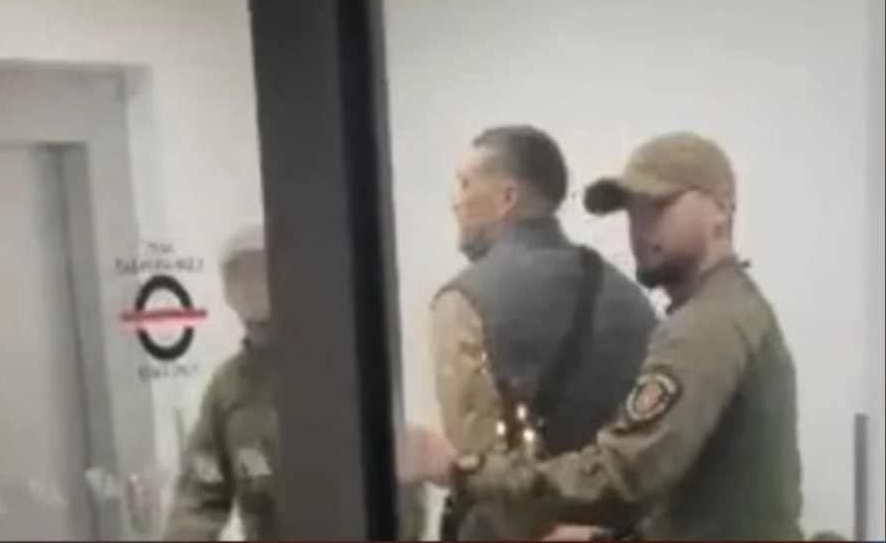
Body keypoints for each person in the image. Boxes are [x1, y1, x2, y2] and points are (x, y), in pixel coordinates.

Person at [445, 132, 803, 540]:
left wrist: (466, 471)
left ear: (720, 208)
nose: (641, 229)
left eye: (658, 206)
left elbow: (622, 478)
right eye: (633, 212)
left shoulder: (707, 325)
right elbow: (697, 503)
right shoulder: (730, 306)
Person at [431, 126, 658, 539]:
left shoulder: (462, 303)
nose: (454, 201)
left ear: (506, 198)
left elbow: (476, 467)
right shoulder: (631, 300)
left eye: (465, 184)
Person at [162, 223, 427, 539]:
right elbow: (199, 498)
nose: (252, 286)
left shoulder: (339, 370)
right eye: (239, 275)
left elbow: (395, 485)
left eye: (261, 270)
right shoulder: (228, 388)